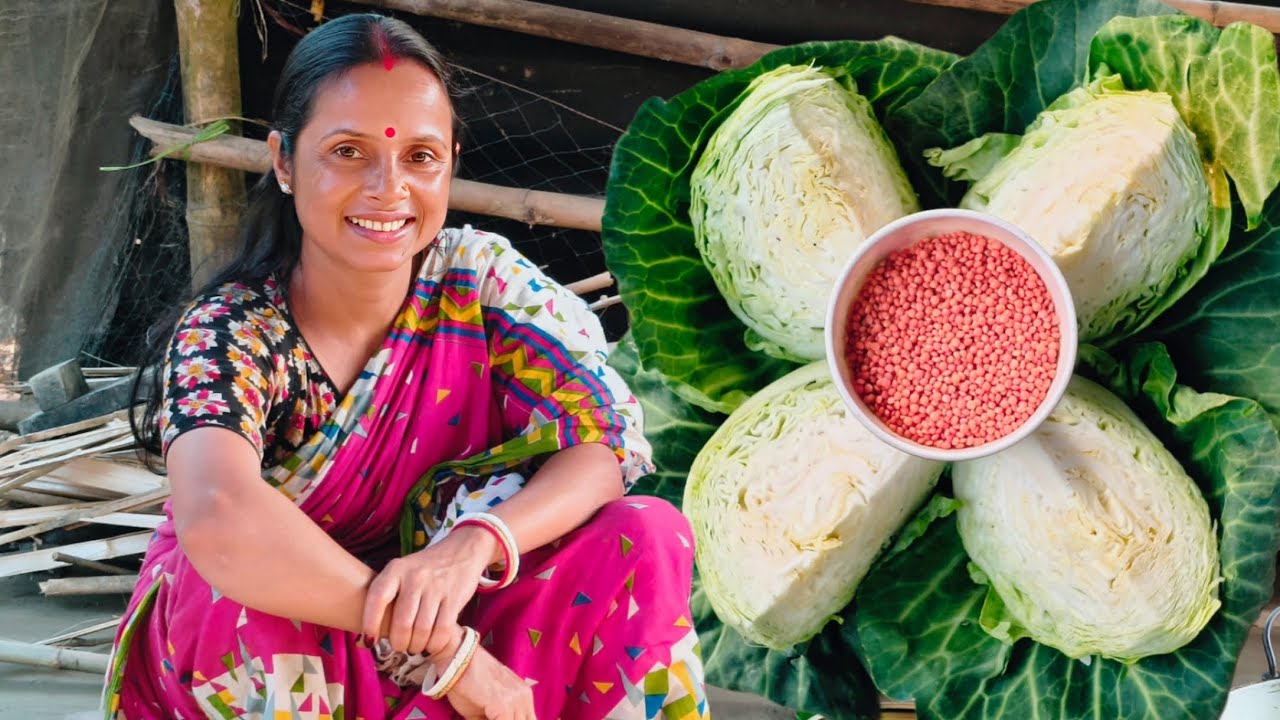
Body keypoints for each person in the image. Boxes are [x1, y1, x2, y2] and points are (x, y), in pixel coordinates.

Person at [105, 13, 708, 720]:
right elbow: (218, 517)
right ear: (284, 161)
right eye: (348, 152)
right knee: (226, 591)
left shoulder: (482, 286)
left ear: (451, 162)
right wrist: (440, 650)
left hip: (454, 609)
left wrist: (476, 543)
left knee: (644, 533)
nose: (388, 188)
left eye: (420, 156)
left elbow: (600, 444)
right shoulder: (234, 332)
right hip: (304, 634)